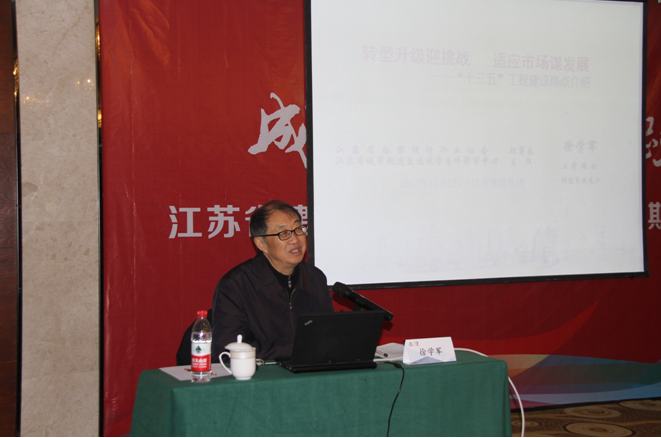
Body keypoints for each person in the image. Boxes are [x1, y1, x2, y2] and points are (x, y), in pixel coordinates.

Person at [211, 200, 333, 361]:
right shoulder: (235, 285)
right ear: (261, 244)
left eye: (298, 229)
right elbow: (226, 350)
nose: (295, 240)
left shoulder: (315, 277)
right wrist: (296, 346)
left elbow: (328, 334)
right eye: (283, 233)